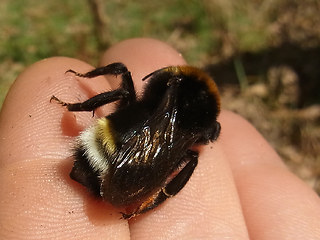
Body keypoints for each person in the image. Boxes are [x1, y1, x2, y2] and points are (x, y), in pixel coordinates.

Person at [0, 38, 319, 240]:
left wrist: (79, 105)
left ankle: (77, 105)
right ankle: (155, 200)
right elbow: (211, 135)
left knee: (123, 80)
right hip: (123, 179)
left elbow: (129, 84)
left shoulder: (170, 92)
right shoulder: (195, 131)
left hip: (96, 151)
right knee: (190, 157)